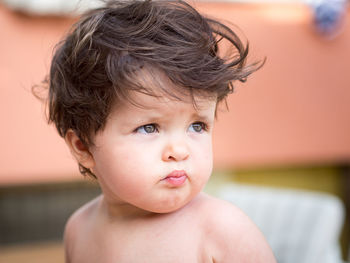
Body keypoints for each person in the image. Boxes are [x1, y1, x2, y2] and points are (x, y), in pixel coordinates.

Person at [41, 0, 276, 262]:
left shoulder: (221, 229)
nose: (179, 150)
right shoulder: (79, 229)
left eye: (197, 126)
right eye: (149, 128)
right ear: (83, 146)